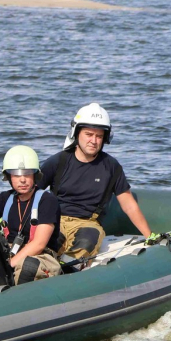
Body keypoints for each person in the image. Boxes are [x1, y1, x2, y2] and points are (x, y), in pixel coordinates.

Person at [38, 102, 155, 260]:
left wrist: (150, 236)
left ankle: (70, 270)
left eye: (99, 136)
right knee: (48, 243)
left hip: (88, 223)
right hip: (56, 219)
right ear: (76, 133)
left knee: (88, 241)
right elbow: (30, 193)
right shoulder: (58, 161)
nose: (93, 140)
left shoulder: (111, 166)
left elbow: (129, 204)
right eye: (88, 134)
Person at [0, 146, 62, 284]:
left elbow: (39, 243)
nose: (23, 180)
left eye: (27, 174)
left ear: (35, 176)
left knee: (28, 266)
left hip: (40, 256)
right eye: (17, 175)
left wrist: (10, 264)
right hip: (10, 251)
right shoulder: (4, 198)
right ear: (9, 177)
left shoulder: (47, 200)